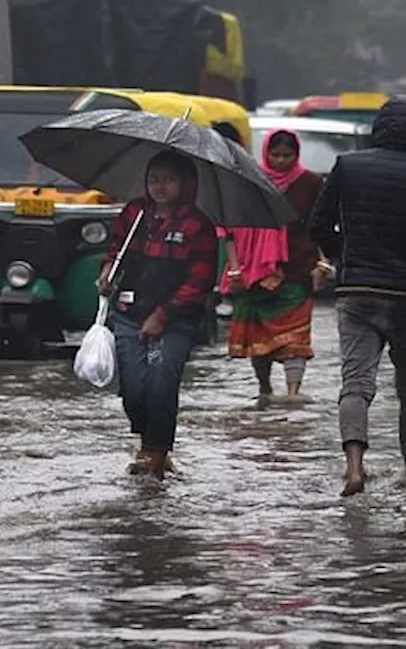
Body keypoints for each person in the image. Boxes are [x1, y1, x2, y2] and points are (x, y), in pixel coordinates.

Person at [309, 95, 406, 497]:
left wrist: (345, 256)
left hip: (357, 290)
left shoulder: (348, 167)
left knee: (355, 383)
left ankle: (354, 468)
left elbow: (318, 224)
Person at [96, 151, 218, 480]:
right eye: (154, 179)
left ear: (185, 183)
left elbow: (199, 283)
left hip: (177, 319)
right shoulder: (134, 213)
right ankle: (146, 438)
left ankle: (157, 452)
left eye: (169, 179)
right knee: (134, 387)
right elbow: (115, 250)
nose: (160, 187)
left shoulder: (199, 226)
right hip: (128, 312)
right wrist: (108, 272)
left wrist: (163, 316)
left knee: (162, 380)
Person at [220, 129, 327, 401]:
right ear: (266, 153)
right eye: (275, 155)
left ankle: (293, 392)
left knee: (296, 337)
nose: (280, 161)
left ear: (296, 155)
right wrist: (235, 268)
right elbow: (232, 225)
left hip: (297, 267)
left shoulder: (311, 183)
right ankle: (264, 389)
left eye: (287, 156)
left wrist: (323, 262)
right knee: (259, 339)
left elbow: (321, 225)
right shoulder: (251, 181)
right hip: (254, 270)